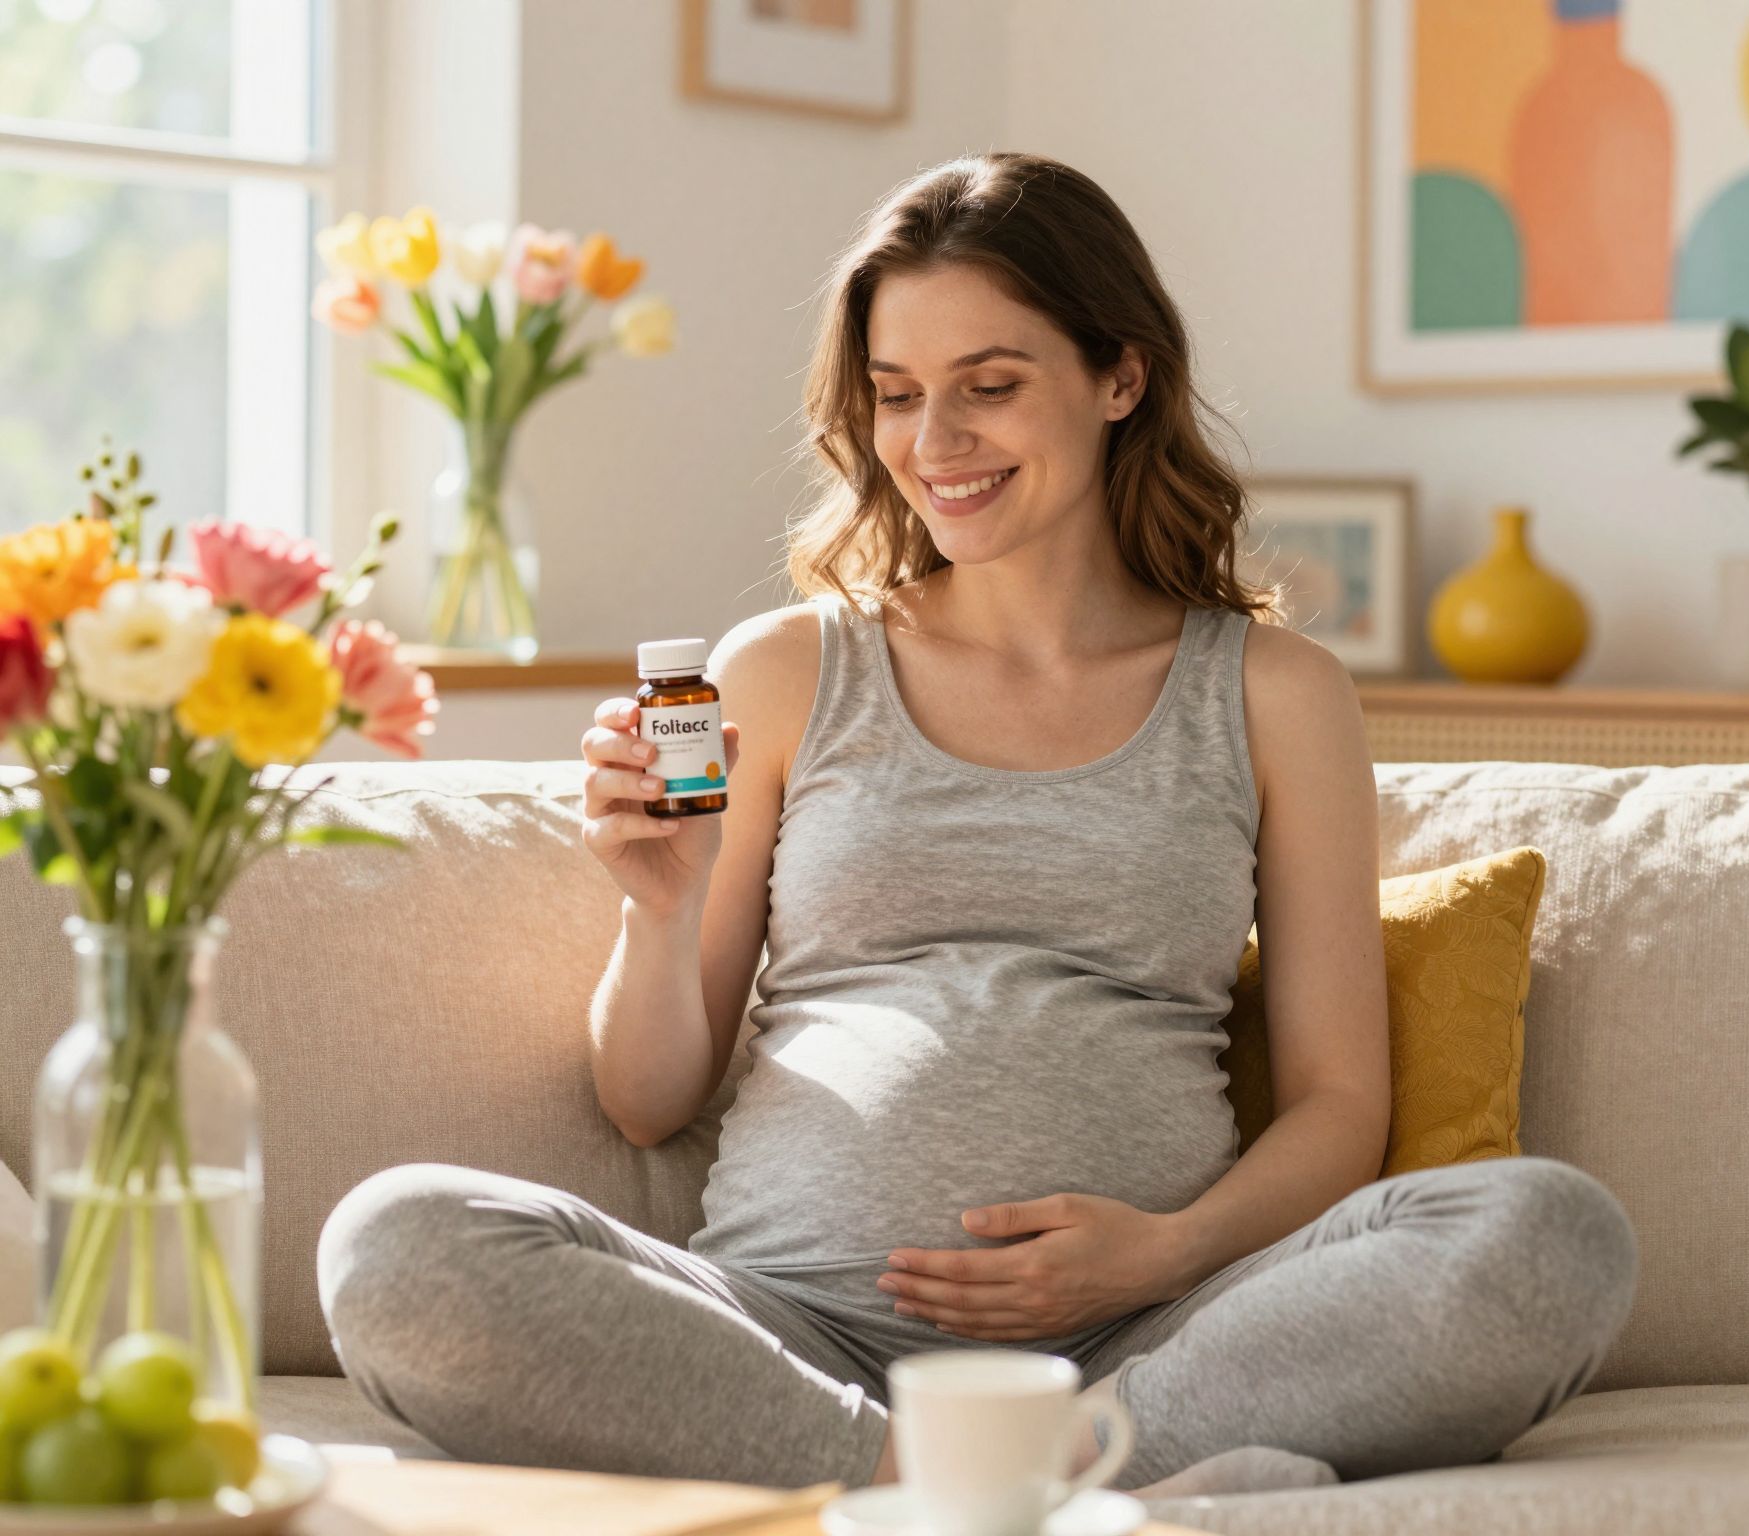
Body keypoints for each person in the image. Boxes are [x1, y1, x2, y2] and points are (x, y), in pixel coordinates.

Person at [316, 151, 1637, 1496]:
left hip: (1152, 1333)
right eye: (896, 397)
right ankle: (978, 1474)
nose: (932, 443)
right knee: (398, 1244)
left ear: (1120, 376)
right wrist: (658, 911)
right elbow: (649, 1102)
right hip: (786, 1329)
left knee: (1546, 1236)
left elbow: (1341, 1107)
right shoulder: (782, 671)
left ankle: (1039, 1453)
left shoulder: (1272, 694)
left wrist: (1166, 1251)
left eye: (989, 386)